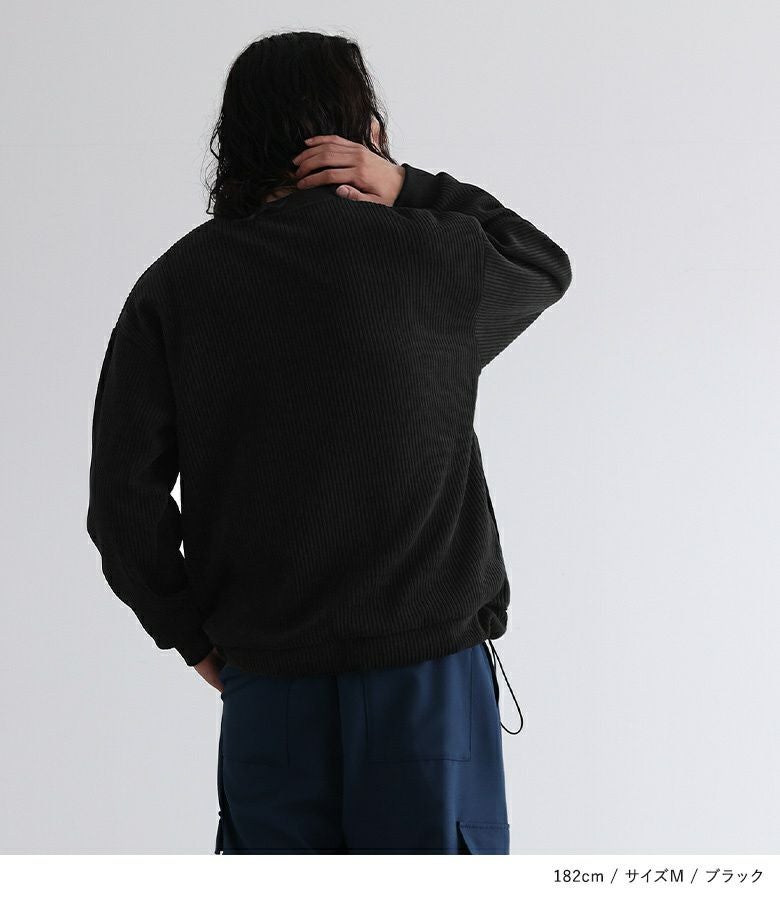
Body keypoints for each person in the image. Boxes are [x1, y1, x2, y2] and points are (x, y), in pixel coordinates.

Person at [86, 30, 573, 854]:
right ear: (361, 132)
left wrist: (190, 635)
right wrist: (407, 185)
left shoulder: (176, 287)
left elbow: (122, 506)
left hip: (270, 684)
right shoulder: (432, 258)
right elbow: (542, 263)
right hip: (427, 681)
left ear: (236, 140)